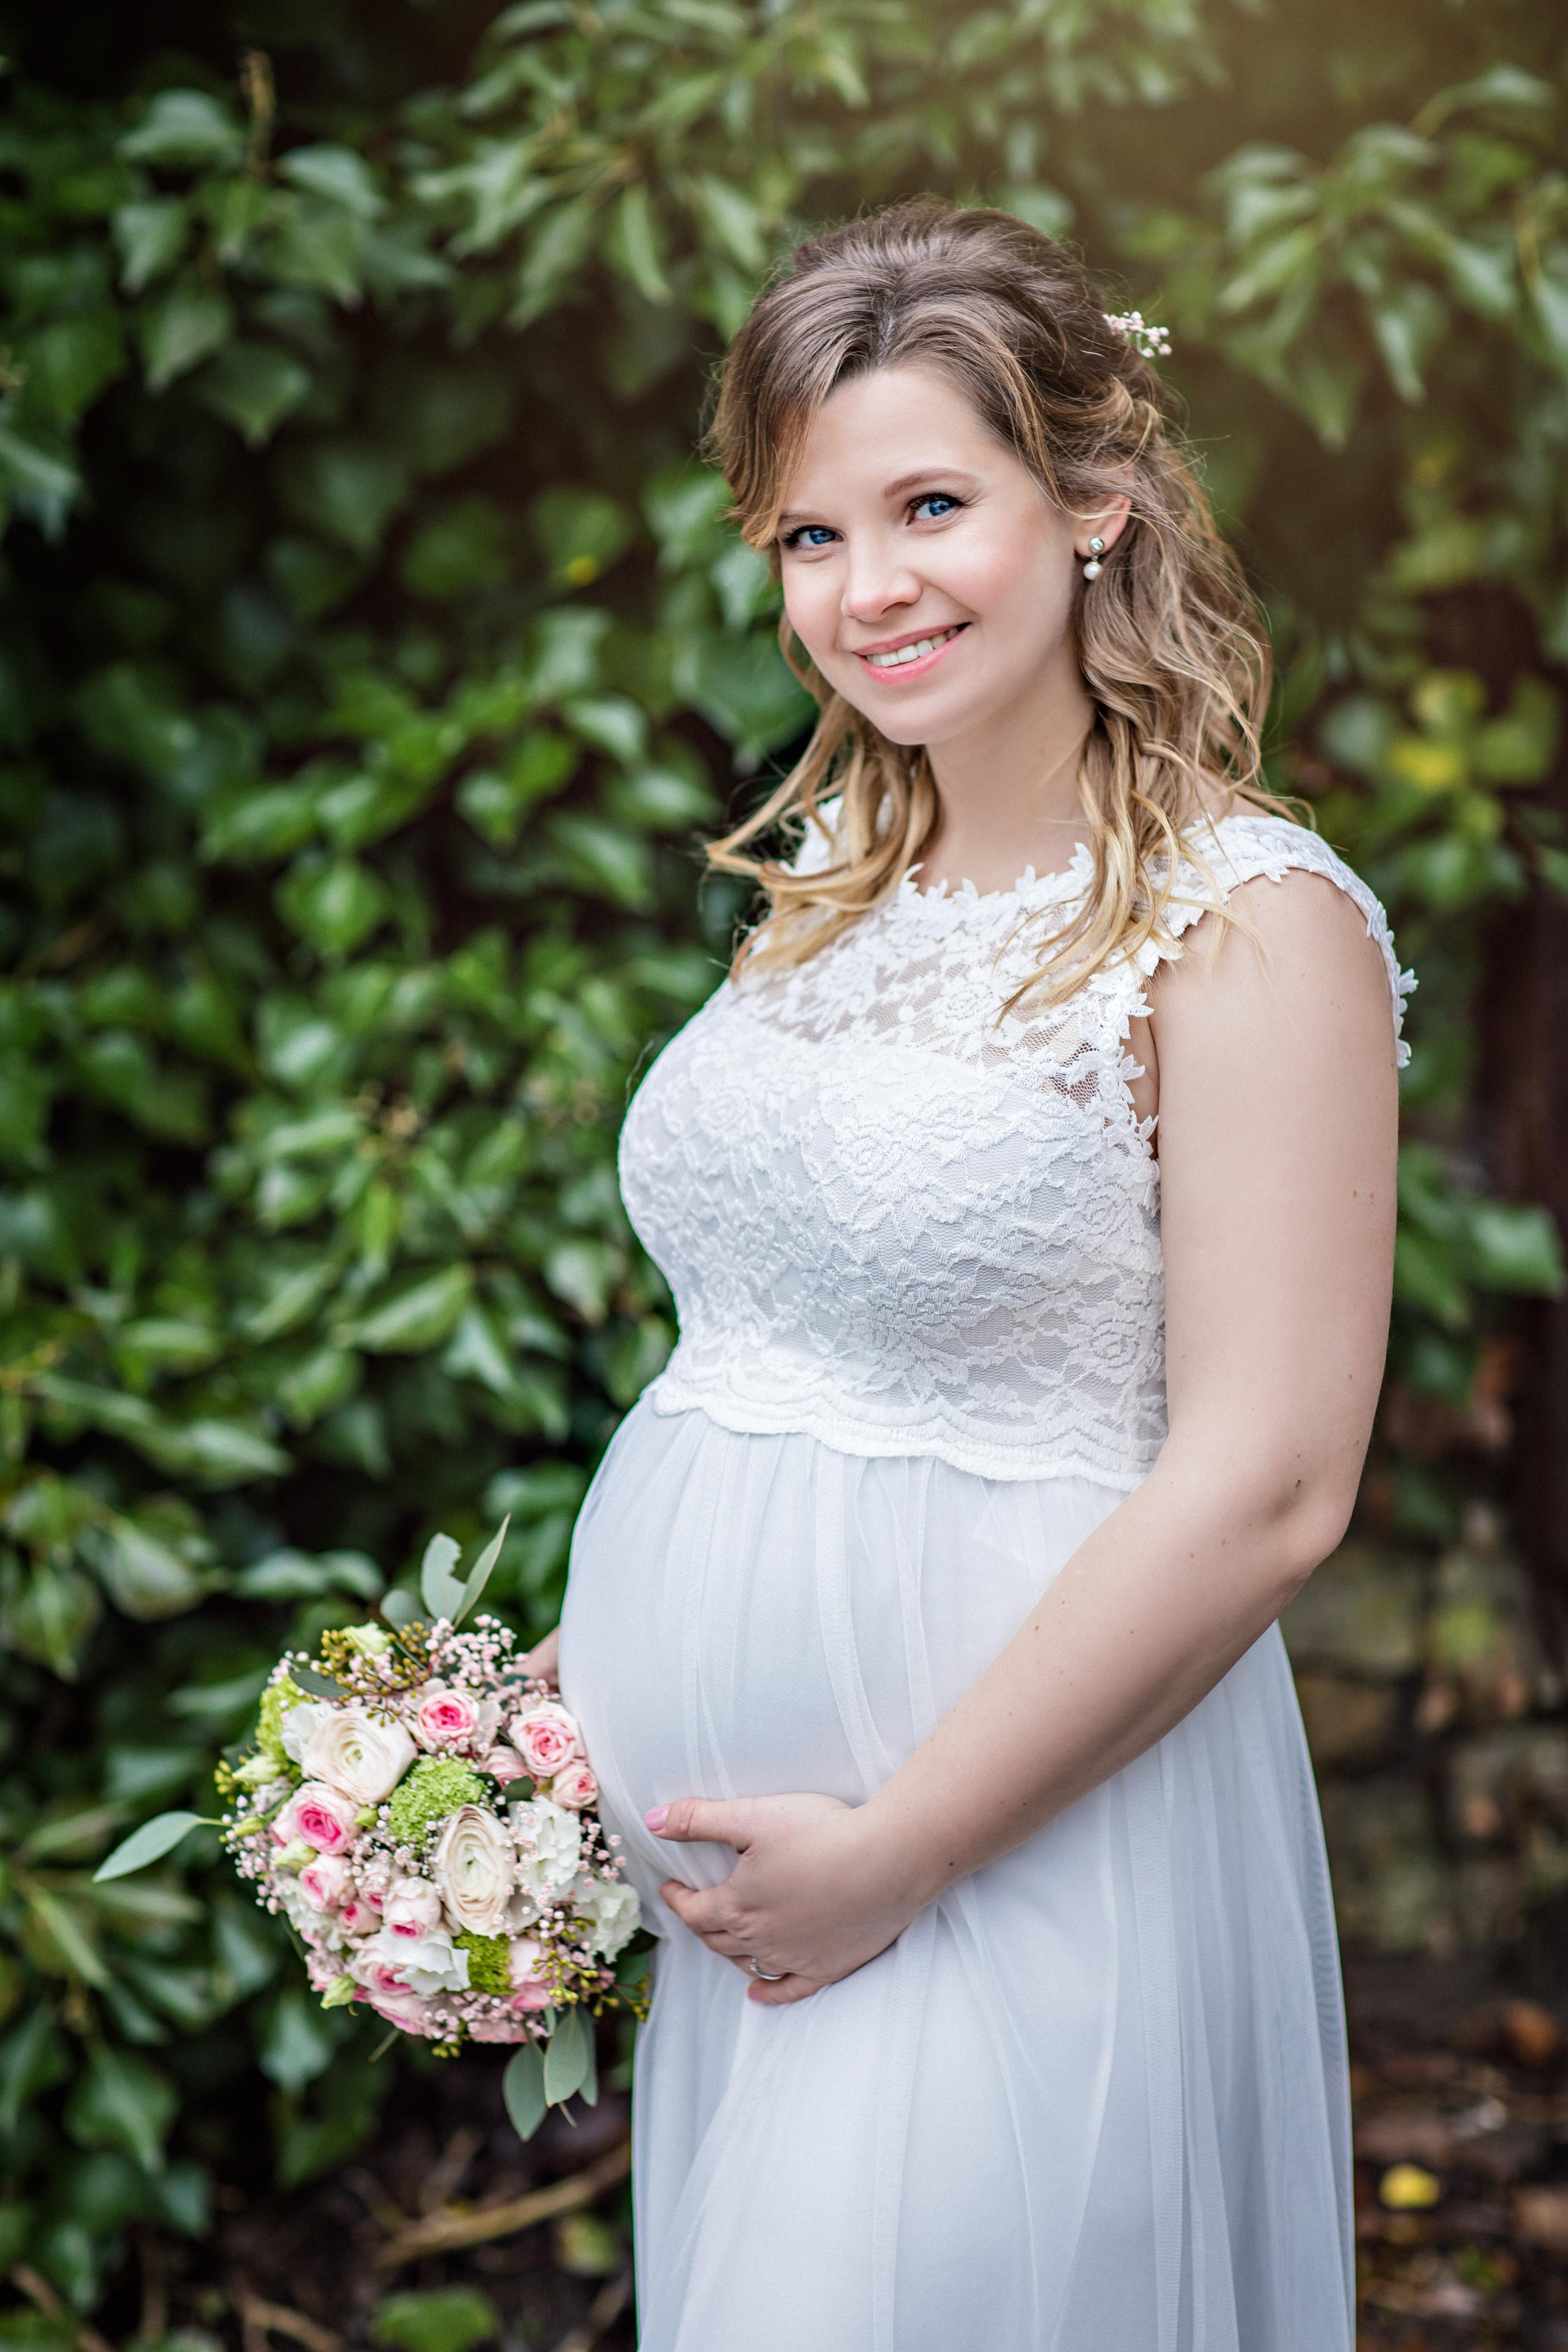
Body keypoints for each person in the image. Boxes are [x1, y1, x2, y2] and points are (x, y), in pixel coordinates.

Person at [528, 200, 1408, 2348]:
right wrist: (557, 1721)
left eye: (931, 506)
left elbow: (1272, 1485)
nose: (869, 591)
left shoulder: (1250, 924)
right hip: (765, 1904)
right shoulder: (839, 874)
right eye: (810, 536)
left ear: (1094, 497)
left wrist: (908, 1842)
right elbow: (765, 1353)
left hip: (1006, 1855)